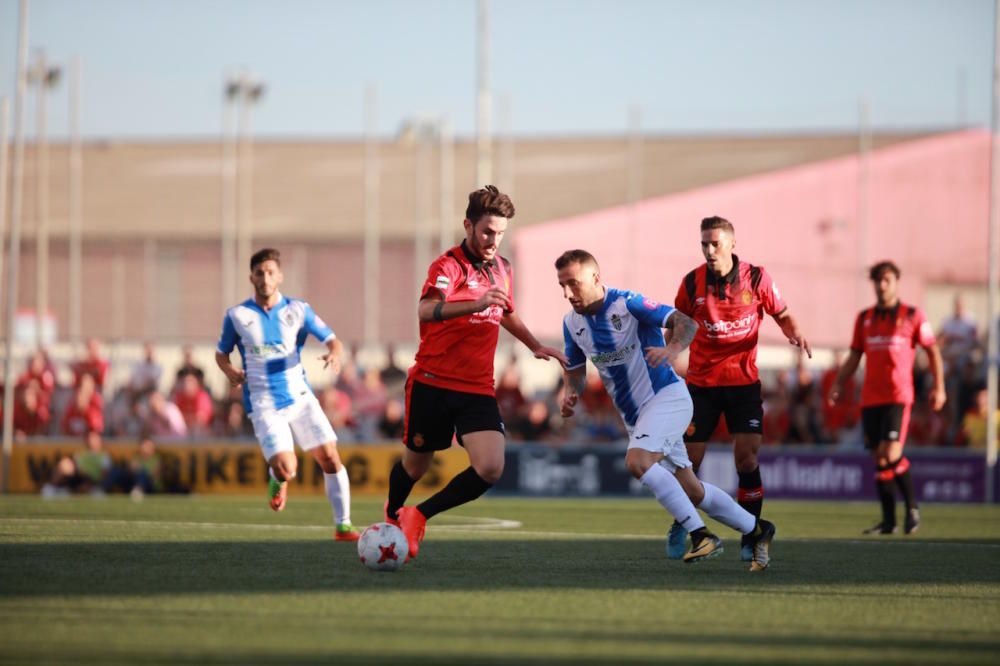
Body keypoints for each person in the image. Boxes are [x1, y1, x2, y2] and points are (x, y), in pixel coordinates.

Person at [556, 249, 775, 571]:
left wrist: (672, 348)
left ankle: (701, 536)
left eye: (573, 284)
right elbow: (574, 371)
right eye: (561, 285)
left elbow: (684, 322)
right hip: (638, 418)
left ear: (595, 278)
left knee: (637, 461)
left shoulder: (627, 303)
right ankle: (758, 530)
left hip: (667, 398)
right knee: (693, 490)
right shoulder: (571, 324)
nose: (567, 293)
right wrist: (569, 392)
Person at [386, 185, 566, 560]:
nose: (493, 240)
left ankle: (418, 515)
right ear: (468, 225)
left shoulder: (503, 268)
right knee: (415, 465)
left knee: (490, 467)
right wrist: (473, 303)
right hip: (432, 383)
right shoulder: (447, 266)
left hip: (476, 387)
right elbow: (424, 310)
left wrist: (533, 344)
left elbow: (506, 311)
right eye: (487, 231)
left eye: (500, 233)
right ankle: (391, 517)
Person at [668, 216, 810, 561]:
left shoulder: (757, 278)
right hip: (701, 384)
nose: (709, 250)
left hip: (743, 385)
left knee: (746, 459)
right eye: (704, 243)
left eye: (716, 243)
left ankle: (751, 534)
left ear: (733, 244)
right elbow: (676, 324)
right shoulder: (691, 284)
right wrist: (669, 356)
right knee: (689, 462)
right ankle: (683, 524)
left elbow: (783, 312)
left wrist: (796, 332)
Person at [215, 247, 360, 541]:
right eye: (259, 273)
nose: (265, 278)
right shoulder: (237, 316)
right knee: (286, 467)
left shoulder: (298, 310)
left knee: (330, 457)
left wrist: (334, 354)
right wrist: (229, 371)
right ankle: (277, 477)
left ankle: (343, 526)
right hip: (264, 403)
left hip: (300, 397)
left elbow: (333, 340)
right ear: (251, 277)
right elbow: (221, 354)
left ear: (280, 276)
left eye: (270, 272)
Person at [828, 260, 945, 535]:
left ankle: (913, 508)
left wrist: (939, 386)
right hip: (870, 398)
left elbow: (932, 351)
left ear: (896, 282)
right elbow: (855, 354)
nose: (882, 286)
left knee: (891, 452)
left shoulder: (913, 315)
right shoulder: (864, 318)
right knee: (880, 459)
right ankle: (889, 522)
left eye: (887, 280)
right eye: (878, 281)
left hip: (898, 396)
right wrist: (839, 382)